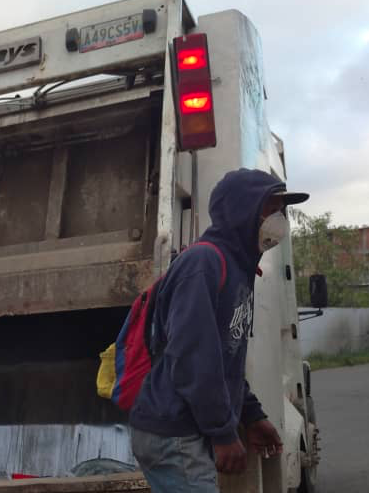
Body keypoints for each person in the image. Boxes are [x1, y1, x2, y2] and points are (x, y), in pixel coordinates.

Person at [129, 168, 308, 492]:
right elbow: (193, 357)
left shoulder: (239, 268)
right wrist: (223, 432)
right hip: (174, 432)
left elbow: (226, 360)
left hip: (184, 429)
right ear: (244, 208)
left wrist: (251, 414)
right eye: (271, 207)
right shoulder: (204, 263)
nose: (279, 217)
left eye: (282, 209)